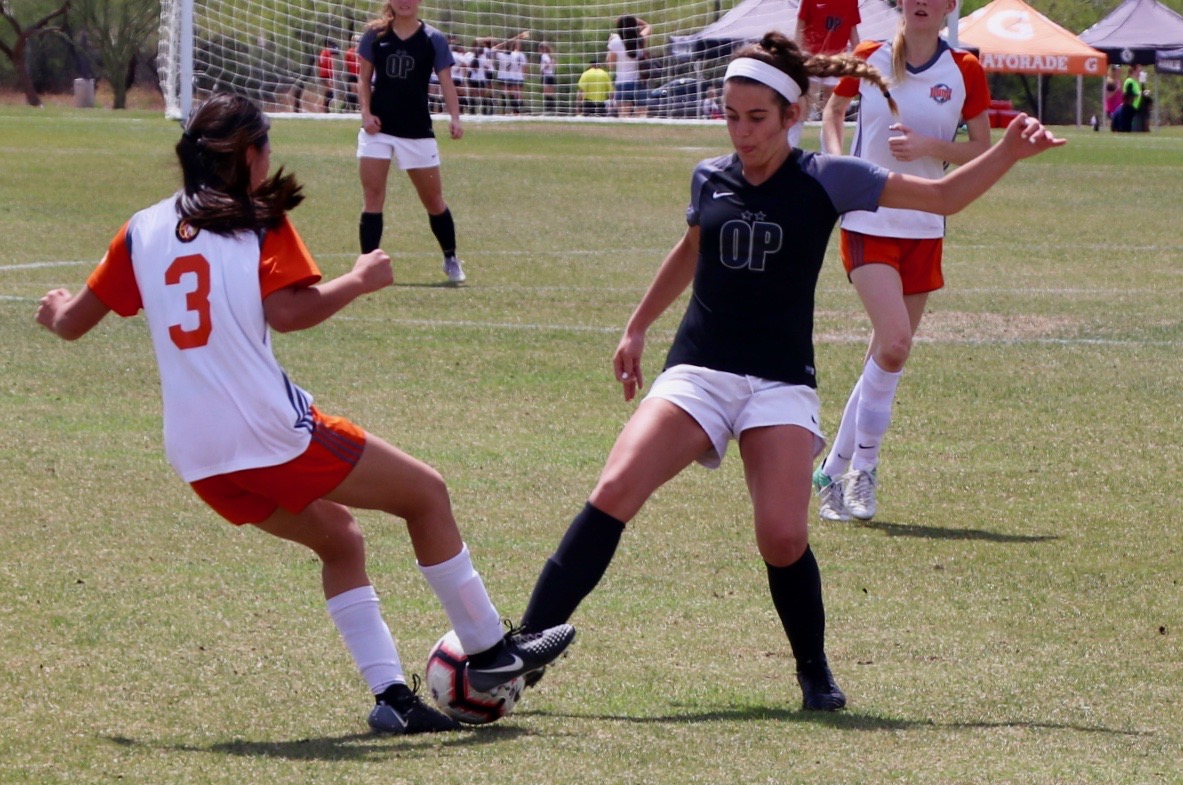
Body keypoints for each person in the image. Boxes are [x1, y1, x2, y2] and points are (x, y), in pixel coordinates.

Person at [514, 33, 1062, 711]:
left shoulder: (828, 177)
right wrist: (636, 324)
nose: (742, 133)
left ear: (792, 113)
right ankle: (523, 644)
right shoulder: (709, 175)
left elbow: (943, 198)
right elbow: (690, 249)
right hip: (699, 369)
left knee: (782, 534)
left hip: (778, 381)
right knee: (616, 485)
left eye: (756, 119)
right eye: (731, 117)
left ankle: (813, 671)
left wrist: (1006, 149)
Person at [33, 93, 577, 735]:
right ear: (251, 156)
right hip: (269, 431)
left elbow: (70, 324)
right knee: (426, 494)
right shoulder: (257, 217)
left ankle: (393, 701)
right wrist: (359, 278)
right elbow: (290, 311)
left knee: (339, 538)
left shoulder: (142, 228)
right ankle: (489, 651)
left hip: (197, 454)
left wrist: (57, 307)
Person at [813, 0, 992, 523]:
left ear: (949, 8)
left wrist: (930, 146)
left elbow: (982, 147)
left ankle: (832, 470)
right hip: (868, 221)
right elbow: (831, 112)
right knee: (893, 343)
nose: (921, 3)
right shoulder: (868, 57)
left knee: (886, 355)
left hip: (925, 225)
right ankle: (864, 469)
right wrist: (837, 165)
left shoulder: (965, 70)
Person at [356, 0, 468, 284]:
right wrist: (366, 114)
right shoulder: (374, 34)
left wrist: (455, 117)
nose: (404, 2)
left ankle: (450, 257)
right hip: (377, 130)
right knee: (372, 198)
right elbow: (364, 79)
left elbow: (446, 82)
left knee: (433, 201)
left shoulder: (433, 38)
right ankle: (368, 268)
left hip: (417, 131)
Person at [793, 0, 860, 147]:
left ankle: (831, 155)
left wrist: (860, 58)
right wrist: (797, 59)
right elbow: (800, 27)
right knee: (801, 106)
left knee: (832, 111)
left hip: (835, 63)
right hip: (811, 60)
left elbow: (851, 30)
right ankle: (789, 149)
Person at [607, 14, 651, 117]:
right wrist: (633, 20)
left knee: (624, 117)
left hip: (622, 84)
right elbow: (648, 26)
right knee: (642, 117)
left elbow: (610, 65)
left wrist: (609, 45)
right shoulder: (640, 40)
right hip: (639, 83)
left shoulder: (615, 42)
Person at [494, 35, 529, 115]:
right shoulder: (515, 55)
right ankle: (516, 111)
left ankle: (504, 111)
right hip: (512, 76)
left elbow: (494, 49)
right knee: (513, 95)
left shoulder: (500, 55)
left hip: (502, 76)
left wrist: (503, 44)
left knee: (504, 94)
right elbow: (523, 65)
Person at [317, 40, 341, 112]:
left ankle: (323, 106)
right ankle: (324, 106)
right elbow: (329, 64)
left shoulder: (322, 52)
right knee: (330, 91)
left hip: (322, 74)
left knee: (327, 91)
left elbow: (320, 63)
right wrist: (331, 75)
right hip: (327, 75)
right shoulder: (327, 52)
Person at [538, 42, 558, 114]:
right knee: (551, 93)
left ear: (542, 49)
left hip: (546, 76)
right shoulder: (550, 56)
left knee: (546, 94)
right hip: (551, 75)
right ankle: (552, 110)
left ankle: (548, 110)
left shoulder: (544, 55)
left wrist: (542, 69)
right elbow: (554, 65)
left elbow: (547, 64)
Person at [344, 35, 361, 111]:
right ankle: (353, 108)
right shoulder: (349, 52)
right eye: (356, 41)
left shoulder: (363, 51)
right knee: (353, 91)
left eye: (359, 41)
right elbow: (347, 65)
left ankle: (360, 106)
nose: (358, 43)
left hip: (361, 75)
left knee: (360, 91)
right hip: (353, 74)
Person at [1104, 65, 1123, 131]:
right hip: (1111, 109)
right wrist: (1116, 90)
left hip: (1119, 108)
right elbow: (1108, 96)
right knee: (1114, 128)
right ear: (1113, 71)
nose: (1120, 72)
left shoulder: (1118, 81)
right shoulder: (1109, 81)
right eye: (1118, 70)